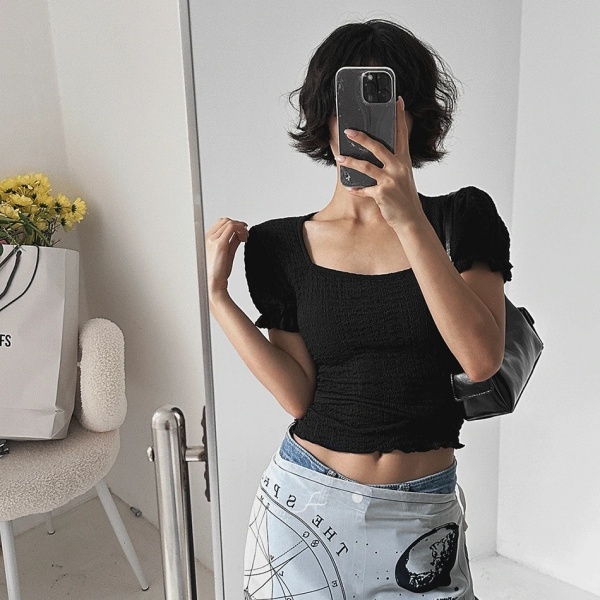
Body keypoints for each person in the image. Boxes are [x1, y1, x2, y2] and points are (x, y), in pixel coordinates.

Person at [206, 18, 511, 600]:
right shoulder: (276, 245)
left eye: (387, 105)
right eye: (347, 106)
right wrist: (218, 298)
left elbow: (481, 360)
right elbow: (297, 396)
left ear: (413, 117)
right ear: (325, 117)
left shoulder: (461, 218)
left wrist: (408, 218)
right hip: (302, 507)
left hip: (421, 518)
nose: (363, 126)